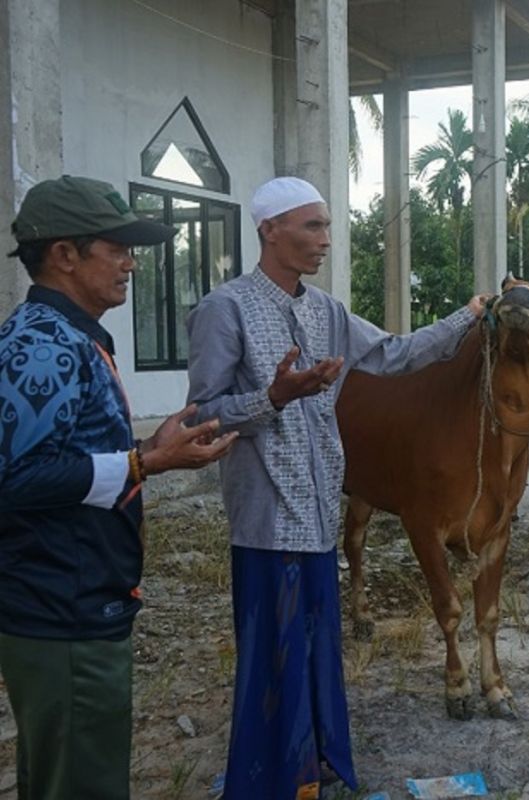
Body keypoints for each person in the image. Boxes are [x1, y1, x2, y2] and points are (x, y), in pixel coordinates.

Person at [186, 177, 487, 800]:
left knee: (319, 654)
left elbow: (397, 355)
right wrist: (275, 396)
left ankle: (316, 769)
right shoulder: (227, 308)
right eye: (312, 227)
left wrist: (467, 318)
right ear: (270, 230)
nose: (326, 241)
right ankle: (270, 777)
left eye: (327, 227)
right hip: (267, 520)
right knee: (275, 659)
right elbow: (202, 417)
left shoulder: (326, 313)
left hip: (321, 518)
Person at [0, 175, 237, 800]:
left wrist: (143, 454)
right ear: (65, 255)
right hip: (61, 612)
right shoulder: (44, 346)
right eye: (118, 246)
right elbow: (14, 477)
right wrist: (145, 463)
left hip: (73, 604)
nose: (133, 262)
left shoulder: (68, 338)